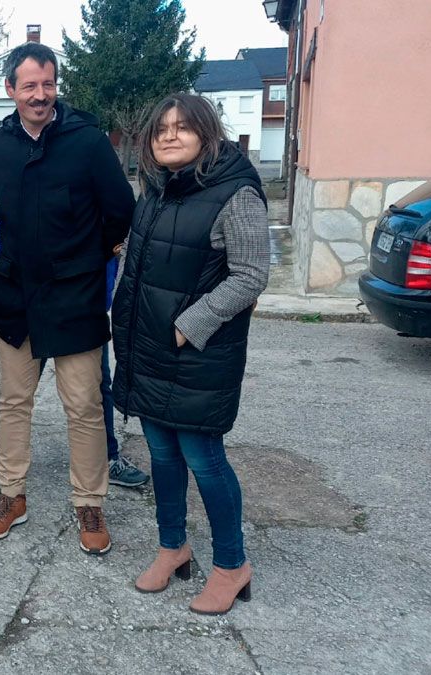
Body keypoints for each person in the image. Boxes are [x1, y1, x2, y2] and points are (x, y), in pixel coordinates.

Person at [0, 42, 135, 553]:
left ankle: (89, 502)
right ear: (10, 89)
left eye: (49, 84)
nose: (40, 95)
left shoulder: (87, 141)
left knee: (83, 404)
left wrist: (91, 255)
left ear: (57, 86)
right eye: (30, 85)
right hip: (13, 293)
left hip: (75, 294)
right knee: (13, 400)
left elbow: (121, 209)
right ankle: (11, 496)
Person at [111, 93, 269, 615]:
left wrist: (189, 325)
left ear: (208, 132)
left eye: (183, 127)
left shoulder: (235, 192)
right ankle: (173, 548)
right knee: (160, 454)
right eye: (161, 129)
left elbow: (250, 276)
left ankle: (231, 565)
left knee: (204, 458)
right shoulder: (155, 191)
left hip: (198, 352)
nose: (170, 136)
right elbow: (137, 266)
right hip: (149, 347)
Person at [0, 224, 149, 488]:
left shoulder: (94, 185)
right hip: (28, 307)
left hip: (79, 305)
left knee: (93, 391)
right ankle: (8, 458)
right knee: (16, 392)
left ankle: (106, 457)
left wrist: (100, 293)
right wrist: (1, 284)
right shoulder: (20, 184)